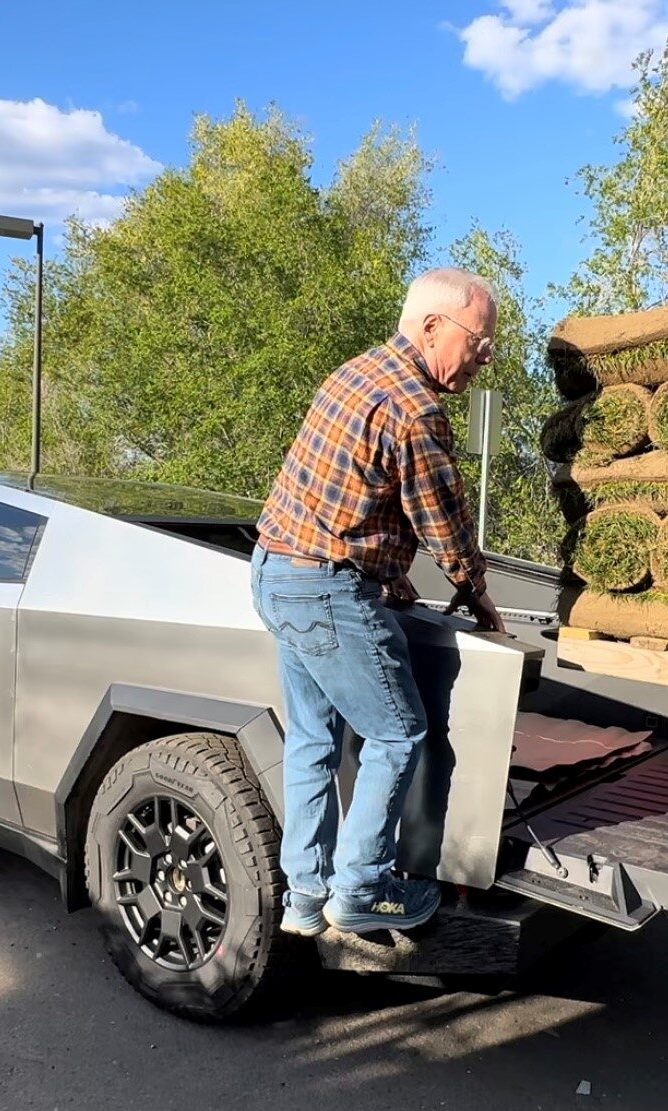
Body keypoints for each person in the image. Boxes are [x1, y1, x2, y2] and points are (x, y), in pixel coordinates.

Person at [251, 267, 507, 936]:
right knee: (398, 732)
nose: (484, 359)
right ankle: (362, 888)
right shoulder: (415, 406)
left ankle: (305, 896)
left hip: (276, 570)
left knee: (313, 736)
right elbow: (442, 519)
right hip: (324, 589)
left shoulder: (356, 372)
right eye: (480, 342)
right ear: (431, 326)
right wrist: (476, 591)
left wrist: (390, 578)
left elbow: (348, 496)